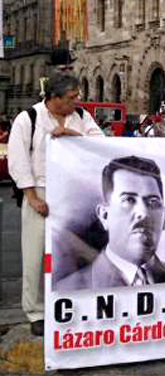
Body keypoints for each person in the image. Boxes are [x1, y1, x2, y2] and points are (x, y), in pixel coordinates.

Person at [8, 72, 104, 336]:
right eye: (71, 97)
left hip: (72, 191)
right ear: (55, 98)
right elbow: (18, 161)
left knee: (76, 251)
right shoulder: (29, 119)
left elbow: (101, 145)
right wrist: (32, 197)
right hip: (40, 189)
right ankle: (36, 310)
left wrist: (73, 135)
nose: (76, 101)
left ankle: (72, 304)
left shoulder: (81, 117)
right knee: (35, 254)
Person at [56, 156, 165, 291]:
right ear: (104, 215)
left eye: (152, 202)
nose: (143, 213)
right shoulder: (69, 290)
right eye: (129, 200)